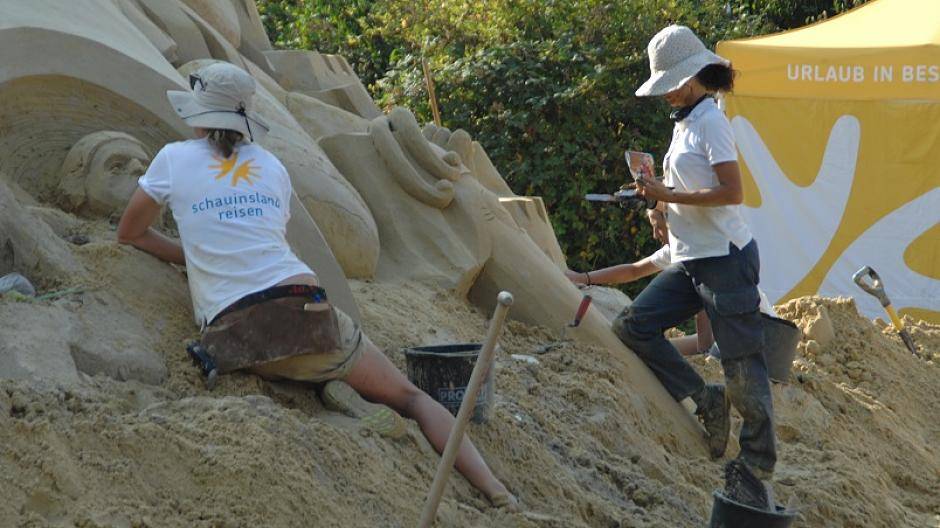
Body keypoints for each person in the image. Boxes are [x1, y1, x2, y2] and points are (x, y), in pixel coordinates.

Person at [116, 62, 515, 508]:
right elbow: (266, 245)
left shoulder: (172, 159)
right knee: (411, 398)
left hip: (236, 338)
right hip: (308, 319)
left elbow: (129, 233)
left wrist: (196, 259)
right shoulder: (271, 166)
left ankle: (330, 390)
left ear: (199, 115)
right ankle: (496, 491)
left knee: (292, 362)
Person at [613, 25, 777, 507]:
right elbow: (683, 188)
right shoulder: (684, 122)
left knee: (742, 365)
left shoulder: (711, 122)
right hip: (691, 258)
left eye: (669, 84)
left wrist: (669, 195)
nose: (664, 93)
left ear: (690, 78)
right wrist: (657, 206)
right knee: (633, 326)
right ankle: (706, 398)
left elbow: (731, 192)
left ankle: (757, 463)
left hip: (725, 259)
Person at [566, 244, 778, 357]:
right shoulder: (679, 245)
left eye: (657, 224)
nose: (655, 233)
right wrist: (584, 277)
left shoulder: (698, 249)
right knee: (656, 349)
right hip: (738, 329)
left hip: (757, 331)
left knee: (661, 350)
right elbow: (634, 270)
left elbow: (704, 342)